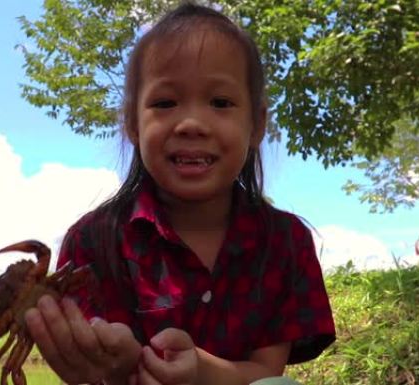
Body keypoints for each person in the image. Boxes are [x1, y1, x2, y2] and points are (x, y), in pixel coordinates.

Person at [24, 2, 336, 384]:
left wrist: (200, 370)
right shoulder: (91, 241)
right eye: (165, 103)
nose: (191, 124)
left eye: (220, 103)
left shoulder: (287, 242)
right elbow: (87, 366)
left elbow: (266, 373)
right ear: (133, 124)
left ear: (256, 125)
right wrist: (116, 364)